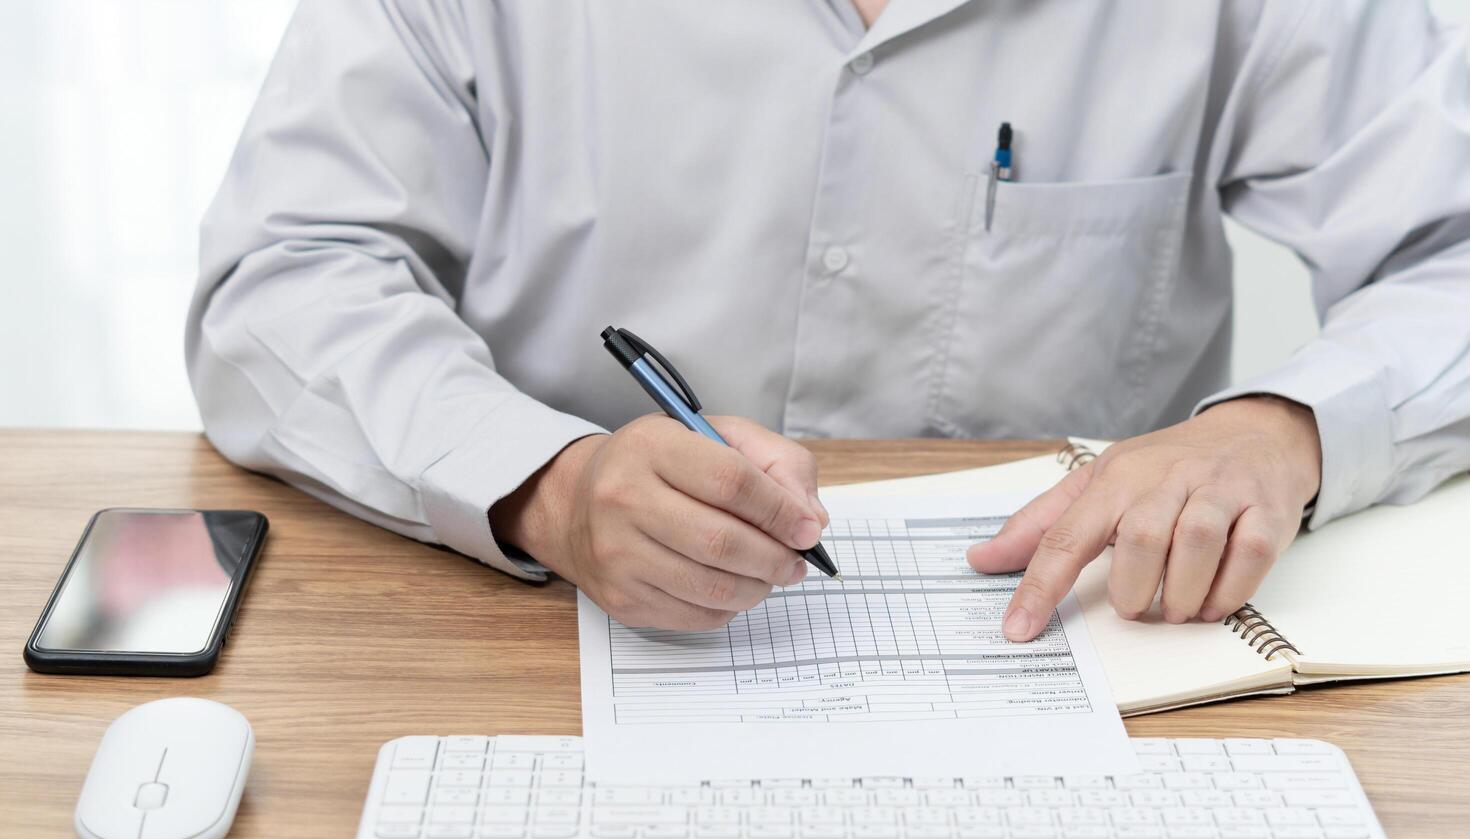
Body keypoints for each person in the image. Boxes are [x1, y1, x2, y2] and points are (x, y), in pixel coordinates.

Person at [187, 0, 1470, 640]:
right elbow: (289, 275)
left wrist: (1282, 429)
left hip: (1095, 657)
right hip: (535, 637)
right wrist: (547, 483)